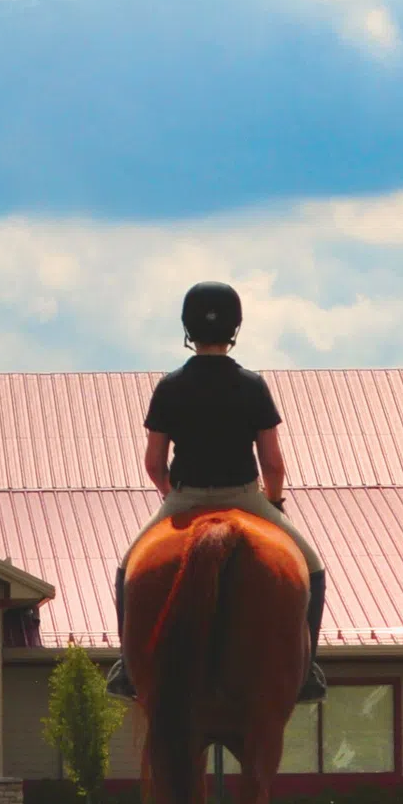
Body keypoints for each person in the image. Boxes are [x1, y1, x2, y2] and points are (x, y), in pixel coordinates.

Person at [106, 281, 327, 702]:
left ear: (188, 329)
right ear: (235, 328)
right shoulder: (252, 385)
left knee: (128, 567)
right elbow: (273, 464)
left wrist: (174, 493)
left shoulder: (169, 387)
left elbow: (154, 464)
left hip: (185, 498)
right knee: (312, 568)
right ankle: (307, 669)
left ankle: (128, 667)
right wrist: (274, 501)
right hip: (245, 496)